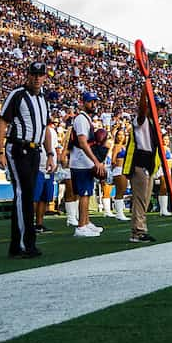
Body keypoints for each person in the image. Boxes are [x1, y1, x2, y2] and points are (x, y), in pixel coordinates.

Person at [0, 61, 56, 257]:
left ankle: (17, 245)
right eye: (34, 74)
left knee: (25, 195)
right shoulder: (18, 94)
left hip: (35, 150)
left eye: (40, 74)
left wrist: (50, 154)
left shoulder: (44, 99)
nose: (37, 78)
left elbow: (46, 129)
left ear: (45, 77)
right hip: (18, 147)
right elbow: (3, 122)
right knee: (24, 194)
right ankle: (25, 244)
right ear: (27, 75)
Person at [121, 89, 164, 243]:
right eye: (157, 106)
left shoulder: (154, 124)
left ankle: (139, 229)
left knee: (144, 199)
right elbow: (141, 111)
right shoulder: (142, 121)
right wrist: (144, 94)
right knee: (140, 199)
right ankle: (138, 231)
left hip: (149, 164)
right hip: (139, 163)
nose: (160, 110)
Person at [67, 91, 107, 237]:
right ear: (83, 102)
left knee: (87, 193)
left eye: (95, 102)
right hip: (81, 162)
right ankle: (81, 226)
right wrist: (96, 160)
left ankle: (86, 221)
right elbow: (83, 142)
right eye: (91, 102)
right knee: (84, 194)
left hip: (84, 161)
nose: (94, 104)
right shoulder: (82, 119)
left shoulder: (85, 119)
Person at [33, 118, 61, 234]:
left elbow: (55, 149)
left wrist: (56, 162)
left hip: (49, 168)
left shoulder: (52, 132)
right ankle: (29, 223)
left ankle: (39, 224)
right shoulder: (36, 130)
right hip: (38, 167)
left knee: (45, 198)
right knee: (34, 197)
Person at [110, 128, 130, 221]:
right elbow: (113, 160)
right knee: (120, 191)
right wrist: (116, 167)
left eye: (123, 134)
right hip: (118, 170)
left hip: (124, 170)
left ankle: (120, 212)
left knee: (123, 190)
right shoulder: (117, 146)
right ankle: (119, 213)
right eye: (119, 134)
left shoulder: (125, 146)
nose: (121, 136)